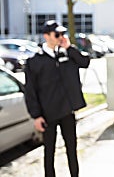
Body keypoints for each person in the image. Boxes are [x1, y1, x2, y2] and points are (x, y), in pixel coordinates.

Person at [24, 20, 90, 177]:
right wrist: (36, 116)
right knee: (49, 152)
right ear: (46, 36)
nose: (61, 37)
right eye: (57, 34)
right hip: (48, 114)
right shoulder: (35, 61)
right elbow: (30, 91)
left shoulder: (67, 53)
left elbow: (85, 62)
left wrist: (69, 47)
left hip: (67, 111)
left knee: (72, 149)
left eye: (62, 33)